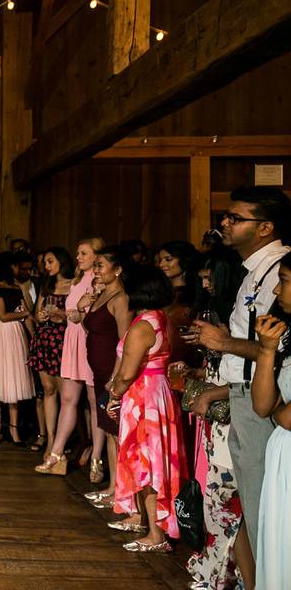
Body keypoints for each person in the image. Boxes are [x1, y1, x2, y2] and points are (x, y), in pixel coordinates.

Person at [189, 186, 291, 566]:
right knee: (248, 504)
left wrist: (226, 342)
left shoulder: (278, 273)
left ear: (265, 228)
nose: (224, 224)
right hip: (242, 396)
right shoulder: (252, 272)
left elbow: (279, 346)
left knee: (265, 509)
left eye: (235, 218)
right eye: (225, 217)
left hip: (262, 401)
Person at [106, 266, 186, 553]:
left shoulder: (142, 326)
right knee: (155, 462)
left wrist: (114, 394)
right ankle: (153, 525)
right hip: (159, 393)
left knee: (147, 464)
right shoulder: (161, 319)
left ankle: (155, 534)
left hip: (144, 398)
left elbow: (127, 373)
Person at [184, 246, 249, 590]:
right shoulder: (217, 312)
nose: (206, 284)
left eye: (211, 278)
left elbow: (242, 376)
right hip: (215, 412)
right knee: (215, 491)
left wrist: (211, 392)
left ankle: (230, 573)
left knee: (226, 494)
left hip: (232, 411)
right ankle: (217, 566)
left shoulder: (235, 318)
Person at [37, 238, 104, 475]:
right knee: (68, 399)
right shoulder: (77, 280)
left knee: (95, 403)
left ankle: (97, 457)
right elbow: (72, 313)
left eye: (84, 253)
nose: (78, 257)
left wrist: (80, 312)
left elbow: (96, 313)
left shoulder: (99, 280)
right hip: (72, 339)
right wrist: (60, 315)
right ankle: (56, 453)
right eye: (77, 253)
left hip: (89, 340)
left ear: (97, 257)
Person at [250, 261, 291, 589]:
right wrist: (266, 350)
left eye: (285, 281)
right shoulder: (286, 336)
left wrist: (281, 414)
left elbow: (286, 416)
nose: (277, 290)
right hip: (283, 452)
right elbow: (264, 406)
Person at [81, 246, 132, 498]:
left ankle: (123, 491)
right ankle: (113, 486)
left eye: (101, 265)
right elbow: (90, 327)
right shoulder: (99, 294)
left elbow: (125, 341)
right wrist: (83, 308)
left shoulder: (120, 299)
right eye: (96, 265)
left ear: (118, 269)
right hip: (98, 372)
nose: (96, 270)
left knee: (117, 430)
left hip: (112, 373)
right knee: (110, 431)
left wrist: (116, 377)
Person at [0, 252, 34, 449]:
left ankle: (13, 428)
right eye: (15, 266)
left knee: (14, 382)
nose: (18, 270)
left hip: (16, 334)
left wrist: (33, 337)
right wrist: (25, 313)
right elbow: (2, 315)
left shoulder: (16, 287)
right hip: (0, 333)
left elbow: (25, 315)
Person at [27, 247, 73, 456]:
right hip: (45, 338)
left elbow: (79, 315)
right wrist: (43, 315)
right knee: (47, 390)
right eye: (45, 262)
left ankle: (62, 444)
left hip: (65, 340)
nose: (46, 266)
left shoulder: (74, 285)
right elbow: (37, 313)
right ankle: (51, 439)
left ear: (62, 261)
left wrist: (62, 314)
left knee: (66, 395)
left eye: (50, 261)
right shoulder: (46, 285)